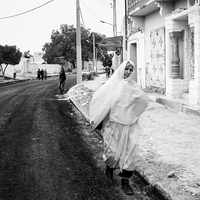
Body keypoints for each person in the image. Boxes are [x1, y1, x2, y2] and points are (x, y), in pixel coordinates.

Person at [89, 60, 149, 195]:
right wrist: (96, 119)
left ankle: (125, 182)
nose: (128, 72)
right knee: (113, 152)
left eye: (130, 70)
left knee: (129, 154)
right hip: (113, 124)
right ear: (122, 69)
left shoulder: (134, 86)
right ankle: (110, 165)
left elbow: (142, 100)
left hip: (130, 124)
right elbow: (102, 102)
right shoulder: (112, 85)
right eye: (126, 69)